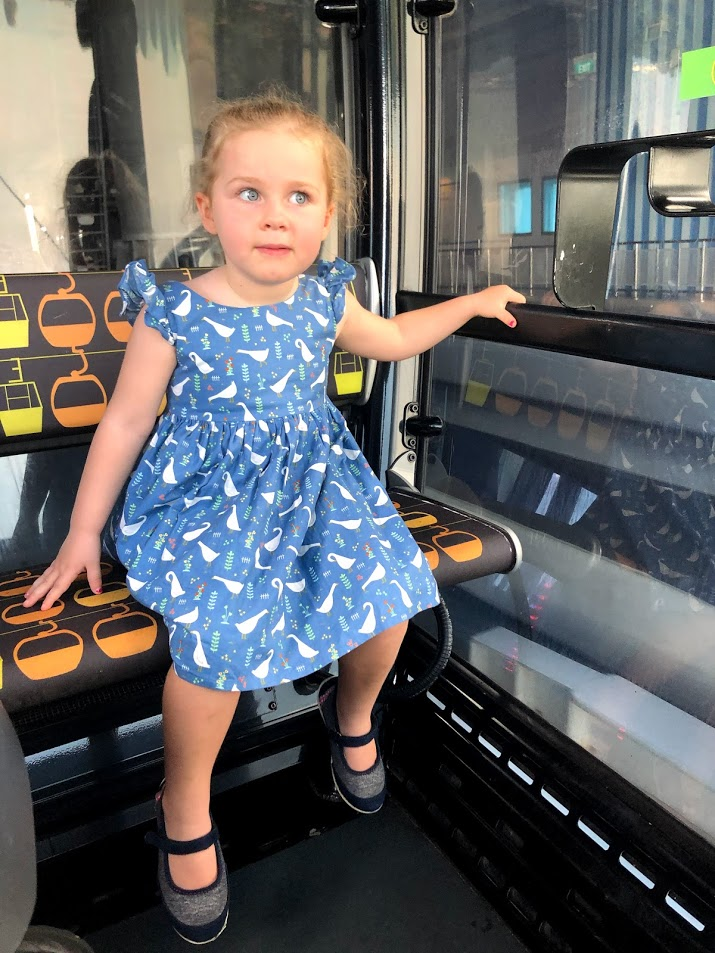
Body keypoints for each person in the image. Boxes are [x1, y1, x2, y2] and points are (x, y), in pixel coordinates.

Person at [22, 91, 525, 944]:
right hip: (208, 508)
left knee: (391, 596)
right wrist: (79, 531)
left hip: (315, 496)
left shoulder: (323, 300)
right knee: (218, 642)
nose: (273, 215)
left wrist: (468, 303)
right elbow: (125, 422)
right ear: (207, 207)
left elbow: (393, 338)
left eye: (299, 196)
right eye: (248, 192)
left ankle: (350, 711)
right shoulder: (175, 310)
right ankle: (184, 804)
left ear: (326, 218)